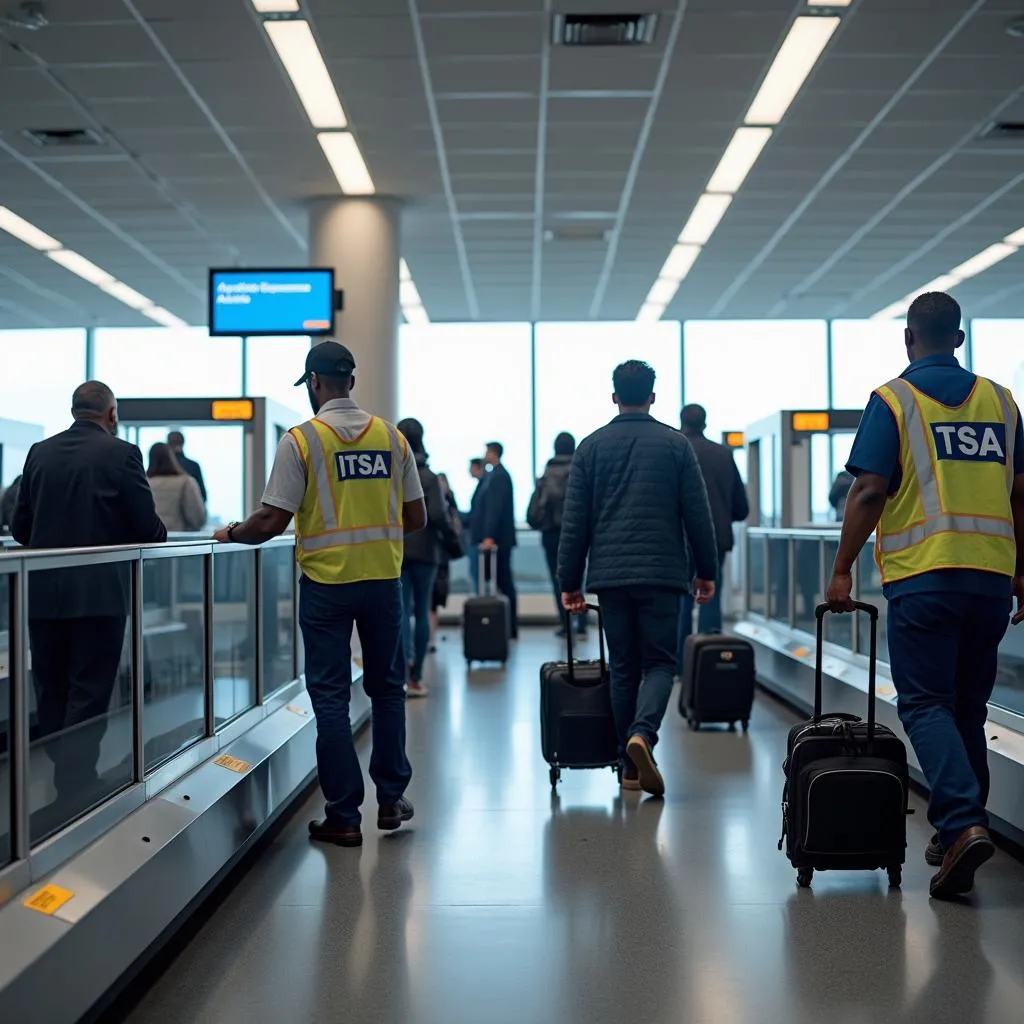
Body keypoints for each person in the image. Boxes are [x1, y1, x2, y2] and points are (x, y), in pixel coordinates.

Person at [825, 292, 1024, 900]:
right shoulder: (1002, 401)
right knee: (968, 707)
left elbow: (868, 491)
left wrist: (841, 570)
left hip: (924, 576)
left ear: (909, 339)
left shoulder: (894, 399)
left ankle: (962, 823)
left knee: (923, 703)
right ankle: (955, 834)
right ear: (959, 339)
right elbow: (1021, 493)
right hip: (991, 579)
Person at [212, 342, 426, 848]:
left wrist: (231, 534)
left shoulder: (303, 441)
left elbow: (272, 520)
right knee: (388, 689)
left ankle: (344, 814)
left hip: (327, 586)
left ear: (314, 383)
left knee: (330, 697)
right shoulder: (391, 439)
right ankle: (391, 798)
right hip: (381, 581)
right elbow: (416, 517)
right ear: (350, 381)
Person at [559, 361, 718, 796]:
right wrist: (707, 571)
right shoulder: (676, 445)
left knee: (624, 666)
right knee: (661, 664)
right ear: (653, 396)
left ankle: (628, 768)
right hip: (664, 573)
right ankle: (643, 735)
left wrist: (569, 583)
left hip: (610, 576)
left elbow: (575, 524)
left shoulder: (590, 448)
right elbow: (698, 515)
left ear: (614, 396)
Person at [12, 381, 167, 806]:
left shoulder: (39, 452)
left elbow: (22, 529)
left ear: (74, 410)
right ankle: (76, 785)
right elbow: (147, 528)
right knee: (89, 688)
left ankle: (63, 779)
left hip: (42, 593)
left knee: (51, 688)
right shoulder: (121, 454)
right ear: (111, 414)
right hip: (99, 595)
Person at [678, 404, 749, 643]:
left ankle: (680, 664)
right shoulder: (723, 454)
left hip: (678, 538)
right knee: (710, 595)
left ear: (681, 423)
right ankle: (707, 659)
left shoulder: (675, 450)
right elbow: (741, 507)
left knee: (681, 600)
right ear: (705, 424)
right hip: (715, 537)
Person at [396, 417, 449, 699]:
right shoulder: (429, 476)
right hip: (427, 551)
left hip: (397, 549)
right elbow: (439, 516)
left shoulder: (392, 472)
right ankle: (416, 678)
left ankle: (403, 673)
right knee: (423, 609)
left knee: (401, 611)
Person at [529, 431, 585, 637]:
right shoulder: (580, 468)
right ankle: (582, 622)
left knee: (558, 578)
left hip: (551, 532)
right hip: (577, 530)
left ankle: (566, 622)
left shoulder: (547, 471)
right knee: (580, 575)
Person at [478, 440, 518, 638]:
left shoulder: (499, 477)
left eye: (487, 451)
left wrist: (489, 536)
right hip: (501, 538)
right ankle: (508, 626)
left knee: (504, 581)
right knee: (503, 581)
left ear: (493, 453)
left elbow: (494, 509)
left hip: (500, 540)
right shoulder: (495, 475)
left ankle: (510, 627)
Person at [430, 473, 461, 650]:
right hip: (434, 557)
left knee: (434, 601)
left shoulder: (448, 505)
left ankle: (430, 638)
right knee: (429, 601)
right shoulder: (442, 509)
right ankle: (429, 638)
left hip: (438, 558)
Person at [147, 442, 207, 532]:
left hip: (151, 538)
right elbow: (197, 517)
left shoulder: (144, 482)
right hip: (180, 538)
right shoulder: (186, 482)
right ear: (171, 457)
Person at [167, 430, 207, 504]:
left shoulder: (161, 467)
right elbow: (203, 496)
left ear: (168, 444)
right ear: (183, 443)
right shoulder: (193, 466)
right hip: (190, 510)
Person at [466, 457, 487, 594]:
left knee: (476, 573)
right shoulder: (482, 486)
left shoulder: (484, 487)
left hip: (478, 538)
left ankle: (480, 601)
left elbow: (478, 514)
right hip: (476, 537)